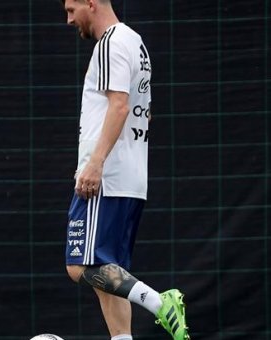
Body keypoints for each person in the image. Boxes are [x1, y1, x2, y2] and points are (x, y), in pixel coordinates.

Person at [58, 1, 189, 340]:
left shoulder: (110, 42)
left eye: (72, 9)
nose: (69, 19)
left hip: (105, 177)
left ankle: (160, 303)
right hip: (130, 176)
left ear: (91, 2)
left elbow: (119, 103)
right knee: (110, 275)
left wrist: (96, 163)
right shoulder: (135, 42)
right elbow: (141, 110)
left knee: (81, 266)